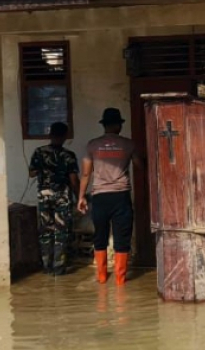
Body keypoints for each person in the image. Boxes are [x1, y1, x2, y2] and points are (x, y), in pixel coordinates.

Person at [76, 107, 141, 285]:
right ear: (119, 125)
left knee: (100, 236)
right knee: (122, 237)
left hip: (100, 197)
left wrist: (81, 197)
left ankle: (102, 277)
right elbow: (139, 165)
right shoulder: (129, 144)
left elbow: (86, 174)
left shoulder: (92, 145)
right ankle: (120, 280)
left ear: (104, 125)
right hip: (121, 196)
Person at [28, 121, 80, 275]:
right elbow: (73, 179)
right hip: (62, 195)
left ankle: (46, 265)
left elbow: (31, 173)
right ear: (65, 136)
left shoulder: (39, 152)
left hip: (44, 195)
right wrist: (80, 197)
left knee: (45, 229)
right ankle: (59, 266)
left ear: (50, 135)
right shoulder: (69, 156)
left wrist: (44, 169)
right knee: (61, 230)